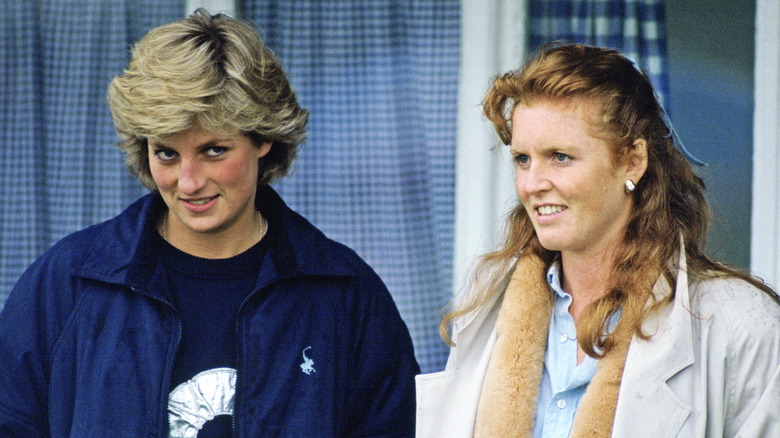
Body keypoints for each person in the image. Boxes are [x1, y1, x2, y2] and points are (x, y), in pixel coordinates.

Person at [0, 10, 419, 437]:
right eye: (166, 153)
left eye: (214, 150)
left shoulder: (345, 295)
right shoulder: (67, 284)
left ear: (263, 138)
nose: (188, 182)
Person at [415, 43, 780, 438]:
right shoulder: (487, 309)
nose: (533, 184)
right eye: (523, 159)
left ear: (632, 162)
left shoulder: (738, 321)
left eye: (560, 156)